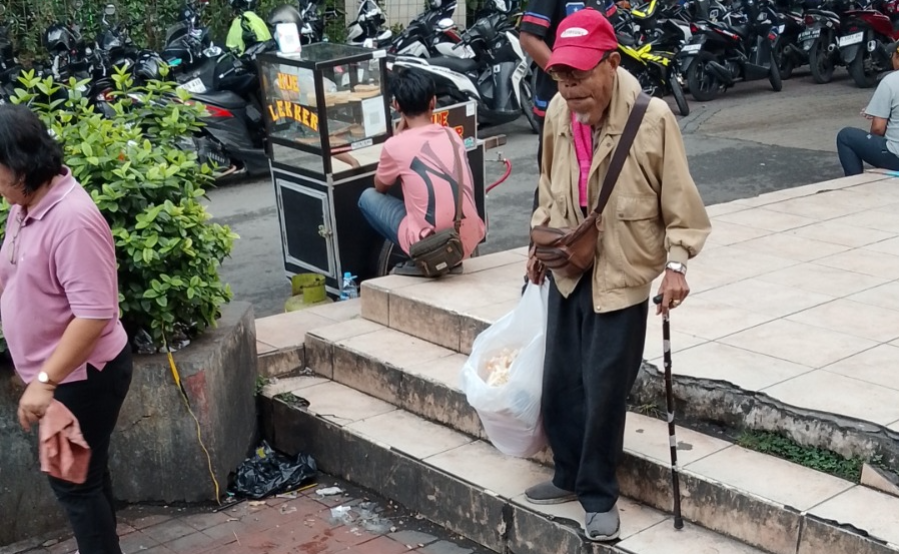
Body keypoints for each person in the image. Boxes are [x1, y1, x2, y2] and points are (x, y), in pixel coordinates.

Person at [524, 9, 711, 541]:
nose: (570, 89)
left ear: (611, 63)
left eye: (580, 76)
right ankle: (566, 474)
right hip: (568, 263)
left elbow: (681, 202)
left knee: (604, 388)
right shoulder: (559, 111)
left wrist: (676, 265)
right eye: (562, 77)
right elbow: (548, 181)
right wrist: (538, 240)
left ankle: (598, 493)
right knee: (562, 379)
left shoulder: (651, 118)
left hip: (624, 270)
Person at [0, 104, 133, 554]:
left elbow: (94, 314)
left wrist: (44, 381)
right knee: (87, 479)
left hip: (81, 378)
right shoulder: (24, 206)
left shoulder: (72, 220)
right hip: (64, 377)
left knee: (75, 485)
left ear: (20, 165)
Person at [358, 67, 485, 276]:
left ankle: (424, 257)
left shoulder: (394, 145)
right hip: (468, 238)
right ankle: (447, 258)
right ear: (433, 102)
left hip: (431, 243)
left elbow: (380, 186)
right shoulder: (452, 135)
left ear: (396, 105)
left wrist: (396, 137)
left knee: (367, 197)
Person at [836, 42, 899, 176]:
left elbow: (878, 128)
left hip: (895, 157)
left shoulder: (890, 81)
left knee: (845, 136)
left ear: (897, 57)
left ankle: (856, 182)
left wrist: (875, 138)